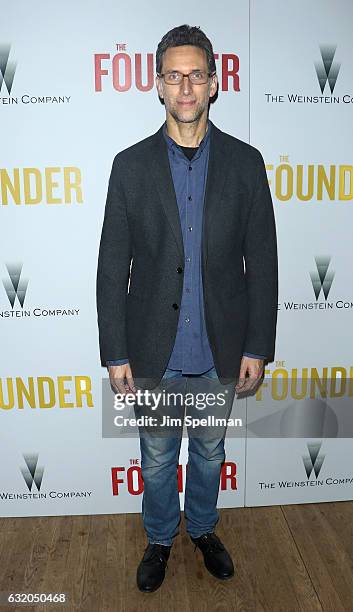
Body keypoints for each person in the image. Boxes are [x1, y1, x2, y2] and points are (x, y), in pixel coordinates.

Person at [96, 24, 278, 593]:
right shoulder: (129, 166)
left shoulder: (247, 164)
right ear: (157, 84)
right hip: (154, 346)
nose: (185, 87)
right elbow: (111, 267)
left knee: (208, 451)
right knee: (155, 459)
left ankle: (201, 528)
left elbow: (263, 263)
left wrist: (256, 346)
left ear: (214, 83)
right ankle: (158, 537)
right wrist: (116, 351)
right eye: (174, 75)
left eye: (196, 75)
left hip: (218, 345)